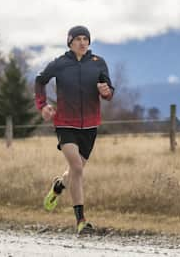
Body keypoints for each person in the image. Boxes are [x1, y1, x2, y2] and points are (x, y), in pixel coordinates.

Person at [34, 25, 114, 235]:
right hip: (65, 123)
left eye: (85, 39)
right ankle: (81, 221)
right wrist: (42, 106)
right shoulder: (60, 63)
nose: (82, 42)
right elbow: (39, 81)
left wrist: (106, 91)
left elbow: (108, 90)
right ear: (70, 42)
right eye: (77, 39)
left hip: (90, 126)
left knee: (74, 172)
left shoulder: (98, 63)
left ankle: (59, 186)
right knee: (77, 168)